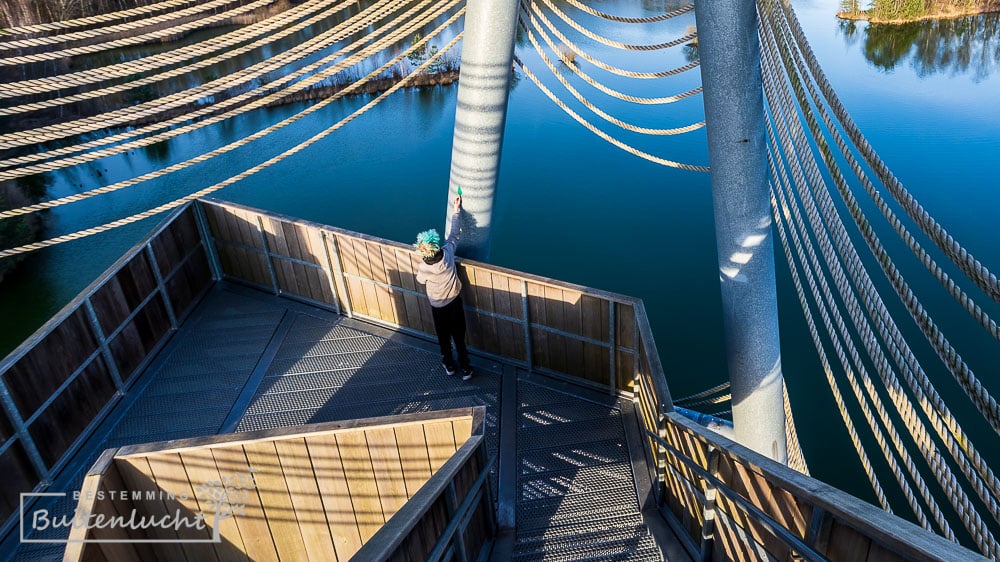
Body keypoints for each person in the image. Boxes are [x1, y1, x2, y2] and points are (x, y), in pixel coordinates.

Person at [415, 196, 473, 380]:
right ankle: (466, 368)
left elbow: (420, 281)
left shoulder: (424, 267)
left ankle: (449, 365)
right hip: (455, 303)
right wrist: (457, 210)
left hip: (438, 308)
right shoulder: (448, 253)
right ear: (436, 244)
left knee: (444, 338)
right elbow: (455, 234)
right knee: (459, 338)